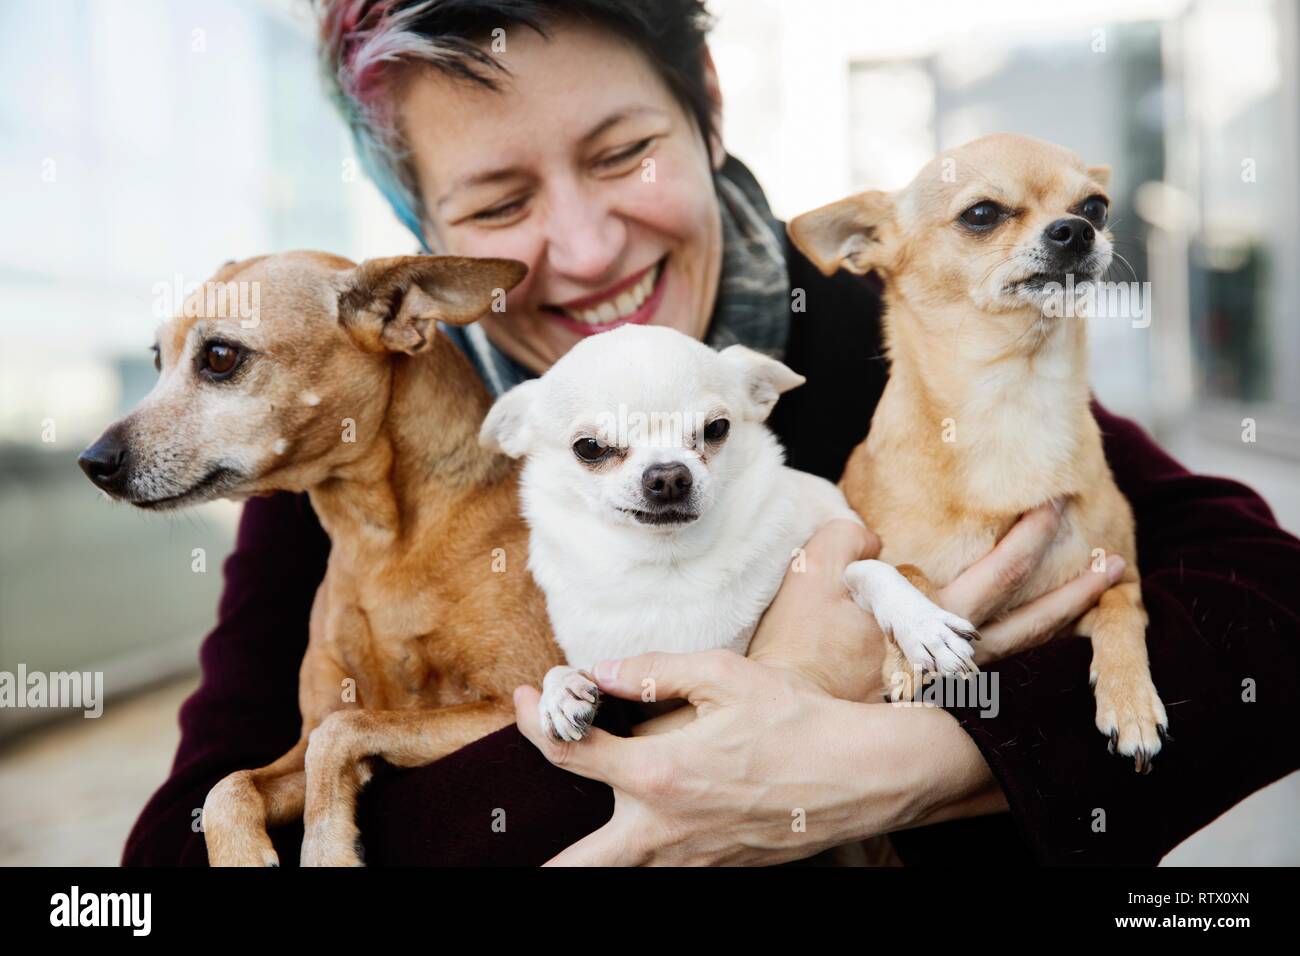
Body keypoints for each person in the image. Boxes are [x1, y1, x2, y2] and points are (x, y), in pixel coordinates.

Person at [123, 0, 1300, 866]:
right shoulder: (359, 453)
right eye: (497, 204)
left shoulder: (891, 321)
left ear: (709, 115)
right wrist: (724, 732)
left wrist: (894, 760)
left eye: (622, 151)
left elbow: (1270, 614)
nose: (586, 249)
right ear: (425, 243)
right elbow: (159, 869)